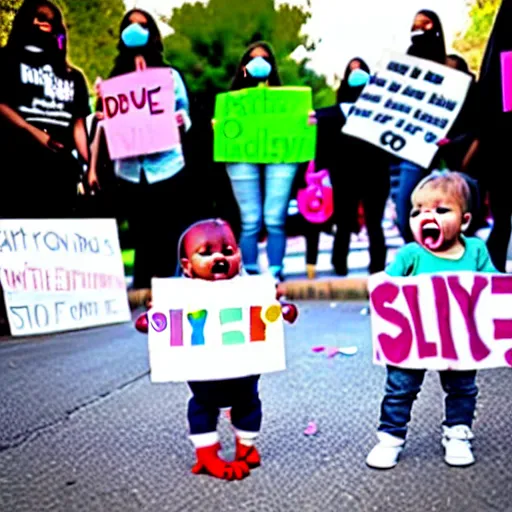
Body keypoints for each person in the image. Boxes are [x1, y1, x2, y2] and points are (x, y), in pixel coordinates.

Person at [135, 218, 298, 480]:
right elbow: (163, 322)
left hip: (245, 373)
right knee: (202, 407)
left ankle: (246, 447)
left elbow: (268, 311)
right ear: (187, 266)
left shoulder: (249, 289)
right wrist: (153, 320)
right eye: (206, 253)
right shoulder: (182, 294)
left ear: (240, 256)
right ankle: (207, 453)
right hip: (204, 376)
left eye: (228, 250)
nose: (219, 257)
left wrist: (282, 310)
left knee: (249, 405)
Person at [366, 171, 498, 470]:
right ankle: (390, 437)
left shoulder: (475, 250)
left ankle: (457, 432)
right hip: (413, 337)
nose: (427, 217)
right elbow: (387, 285)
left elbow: (492, 284)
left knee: (462, 387)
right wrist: (379, 284)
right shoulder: (411, 253)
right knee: (400, 387)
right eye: (417, 212)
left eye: (441, 210)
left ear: (464, 221)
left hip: (460, 336)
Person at [88, 8, 192, 289]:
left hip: (167, 164)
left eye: (142, 25)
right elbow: (102, 123)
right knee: (141, 226)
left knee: (168, 226)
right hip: (130, 169)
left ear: (153, 33)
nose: (136, 30)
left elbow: (185, 113)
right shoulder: (112, 81)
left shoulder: (170, 76)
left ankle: (169, 286)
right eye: (130, 25)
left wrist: (180, 119)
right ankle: (143, 285)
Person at [224, 41, 313, 282]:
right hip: (240, 153)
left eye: (264, 58)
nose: (259, 62)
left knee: (275, 217)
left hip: (280, 153)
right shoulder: (230, 101)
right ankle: (251, 269)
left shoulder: (286, 100)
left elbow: (297, 124)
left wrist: (306, 123)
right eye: (253, 58)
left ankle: (275, 270)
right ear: (244, 66)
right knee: (250, 219)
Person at [0, 0, 91, 218]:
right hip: (15, 166)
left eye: (51, 19)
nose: (44, 23)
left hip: (61, 173)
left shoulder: (73, 76)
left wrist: (91, 165)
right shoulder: (5, 60)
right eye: (39, 17)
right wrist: (33, 132)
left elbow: (78, 126)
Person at [394, 9, 447, 243]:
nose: (419, 28)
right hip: (413, 145)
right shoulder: (406, 62)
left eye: (425, 24)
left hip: (446, 146)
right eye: (415, 24)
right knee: (405, 202)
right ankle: (415, 247)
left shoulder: (448, 64)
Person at [469, 0, 512, 272]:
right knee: (502, 220)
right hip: (502, 150)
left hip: (500, 150)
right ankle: (494, 276)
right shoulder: (499, 65)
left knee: (502, 220)